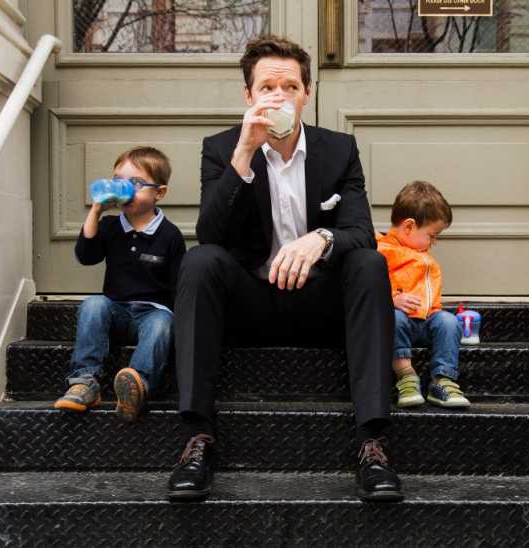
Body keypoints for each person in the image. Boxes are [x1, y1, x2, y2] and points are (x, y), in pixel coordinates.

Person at [167, 35, 402, 502]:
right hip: (250, 304)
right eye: (268, 87)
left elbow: (360, 229)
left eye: (290, 86)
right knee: (199, 261)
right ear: (249, 96)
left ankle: (372, 443)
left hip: (319, 305)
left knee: (369, 263)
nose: (279, 96)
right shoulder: (221, 150)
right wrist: (243, 156)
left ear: (307, 94)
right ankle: (197, 439)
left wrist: (321, 238)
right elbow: (210, 234)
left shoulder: (338, 150)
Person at [54, 146, 186, 423]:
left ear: (159, 193)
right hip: (116, 311)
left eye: (135, 183)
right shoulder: (112, 226)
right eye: (118, 181)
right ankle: (85, 381)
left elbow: (178, 285)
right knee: (93, 304)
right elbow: (86, 256)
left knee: (164, 321)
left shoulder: (170, 235)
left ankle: (138, 386)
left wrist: (180, 328)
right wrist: (96, 211)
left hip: (152, 313)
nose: (124, 188)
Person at [376, 181, 470, 409]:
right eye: (432, 235)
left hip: (427, 321)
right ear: (408, 227)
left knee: (449, 322)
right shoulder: (383, 251)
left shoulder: (422, 253)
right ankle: (406, 377)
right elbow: (369, 288)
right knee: (392, 319)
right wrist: (392, 300)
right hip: (400, 321)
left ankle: (443, 381)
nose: (434, 242)